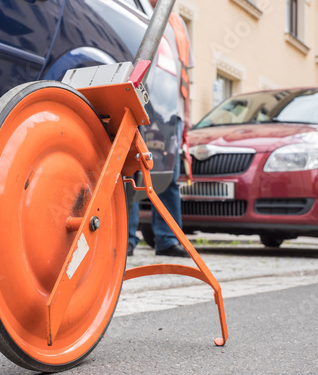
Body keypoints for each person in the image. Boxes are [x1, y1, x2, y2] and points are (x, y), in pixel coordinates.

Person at [127, 0, 194, 257]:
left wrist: (186, 113)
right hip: (143, 102)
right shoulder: (137, 7)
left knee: (169, 177)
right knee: (132, 169)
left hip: (171, 111)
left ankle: (167, 239)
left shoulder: (178, 24)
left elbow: (186, 72)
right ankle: (126, 239)